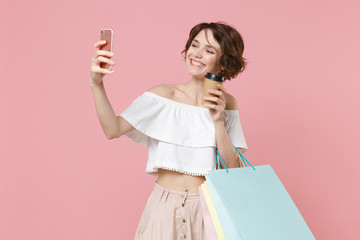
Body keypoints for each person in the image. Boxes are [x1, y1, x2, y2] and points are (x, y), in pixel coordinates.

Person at [90, 21, 248, 240]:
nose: (197, 54)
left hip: (209, 208)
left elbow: (233, 169)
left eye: (209, 50)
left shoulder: (228, 104)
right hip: (163, 207)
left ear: (224, 63)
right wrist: (96, 83)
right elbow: (112, 129)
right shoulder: (162, 96)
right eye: (194, 45)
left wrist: (218, 121)